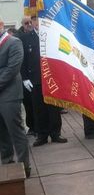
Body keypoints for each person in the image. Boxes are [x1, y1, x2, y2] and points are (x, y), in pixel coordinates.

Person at [21, 15, 67, 146]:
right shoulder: (26, 38)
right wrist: (24, 78)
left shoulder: (51, 36)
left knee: (53, 108)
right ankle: (41, 135)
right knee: (38, 108)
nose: (35, 23)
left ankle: (55, 133)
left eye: (37, 20)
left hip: (51, 78)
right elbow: (23, 60)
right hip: (35, 79)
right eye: (33, 21)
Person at [0, 16, 31, 178]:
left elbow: (12, 69)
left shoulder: (13, 42)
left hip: (10, 94)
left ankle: (24, 166)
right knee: (1, 132)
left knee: (15, 131)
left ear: (1, 25)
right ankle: (7, 162)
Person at [16, 16, 35, 136]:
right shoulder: (18, 38)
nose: (29, 24)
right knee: (28, 103)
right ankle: (32, 127)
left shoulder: (35, 35)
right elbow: (20, 60)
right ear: (22, 24)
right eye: (26, 23)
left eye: (30, 22)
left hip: (35, 75)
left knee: (36, 104)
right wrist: (24, 78)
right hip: (25, 76)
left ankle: (38, 126)